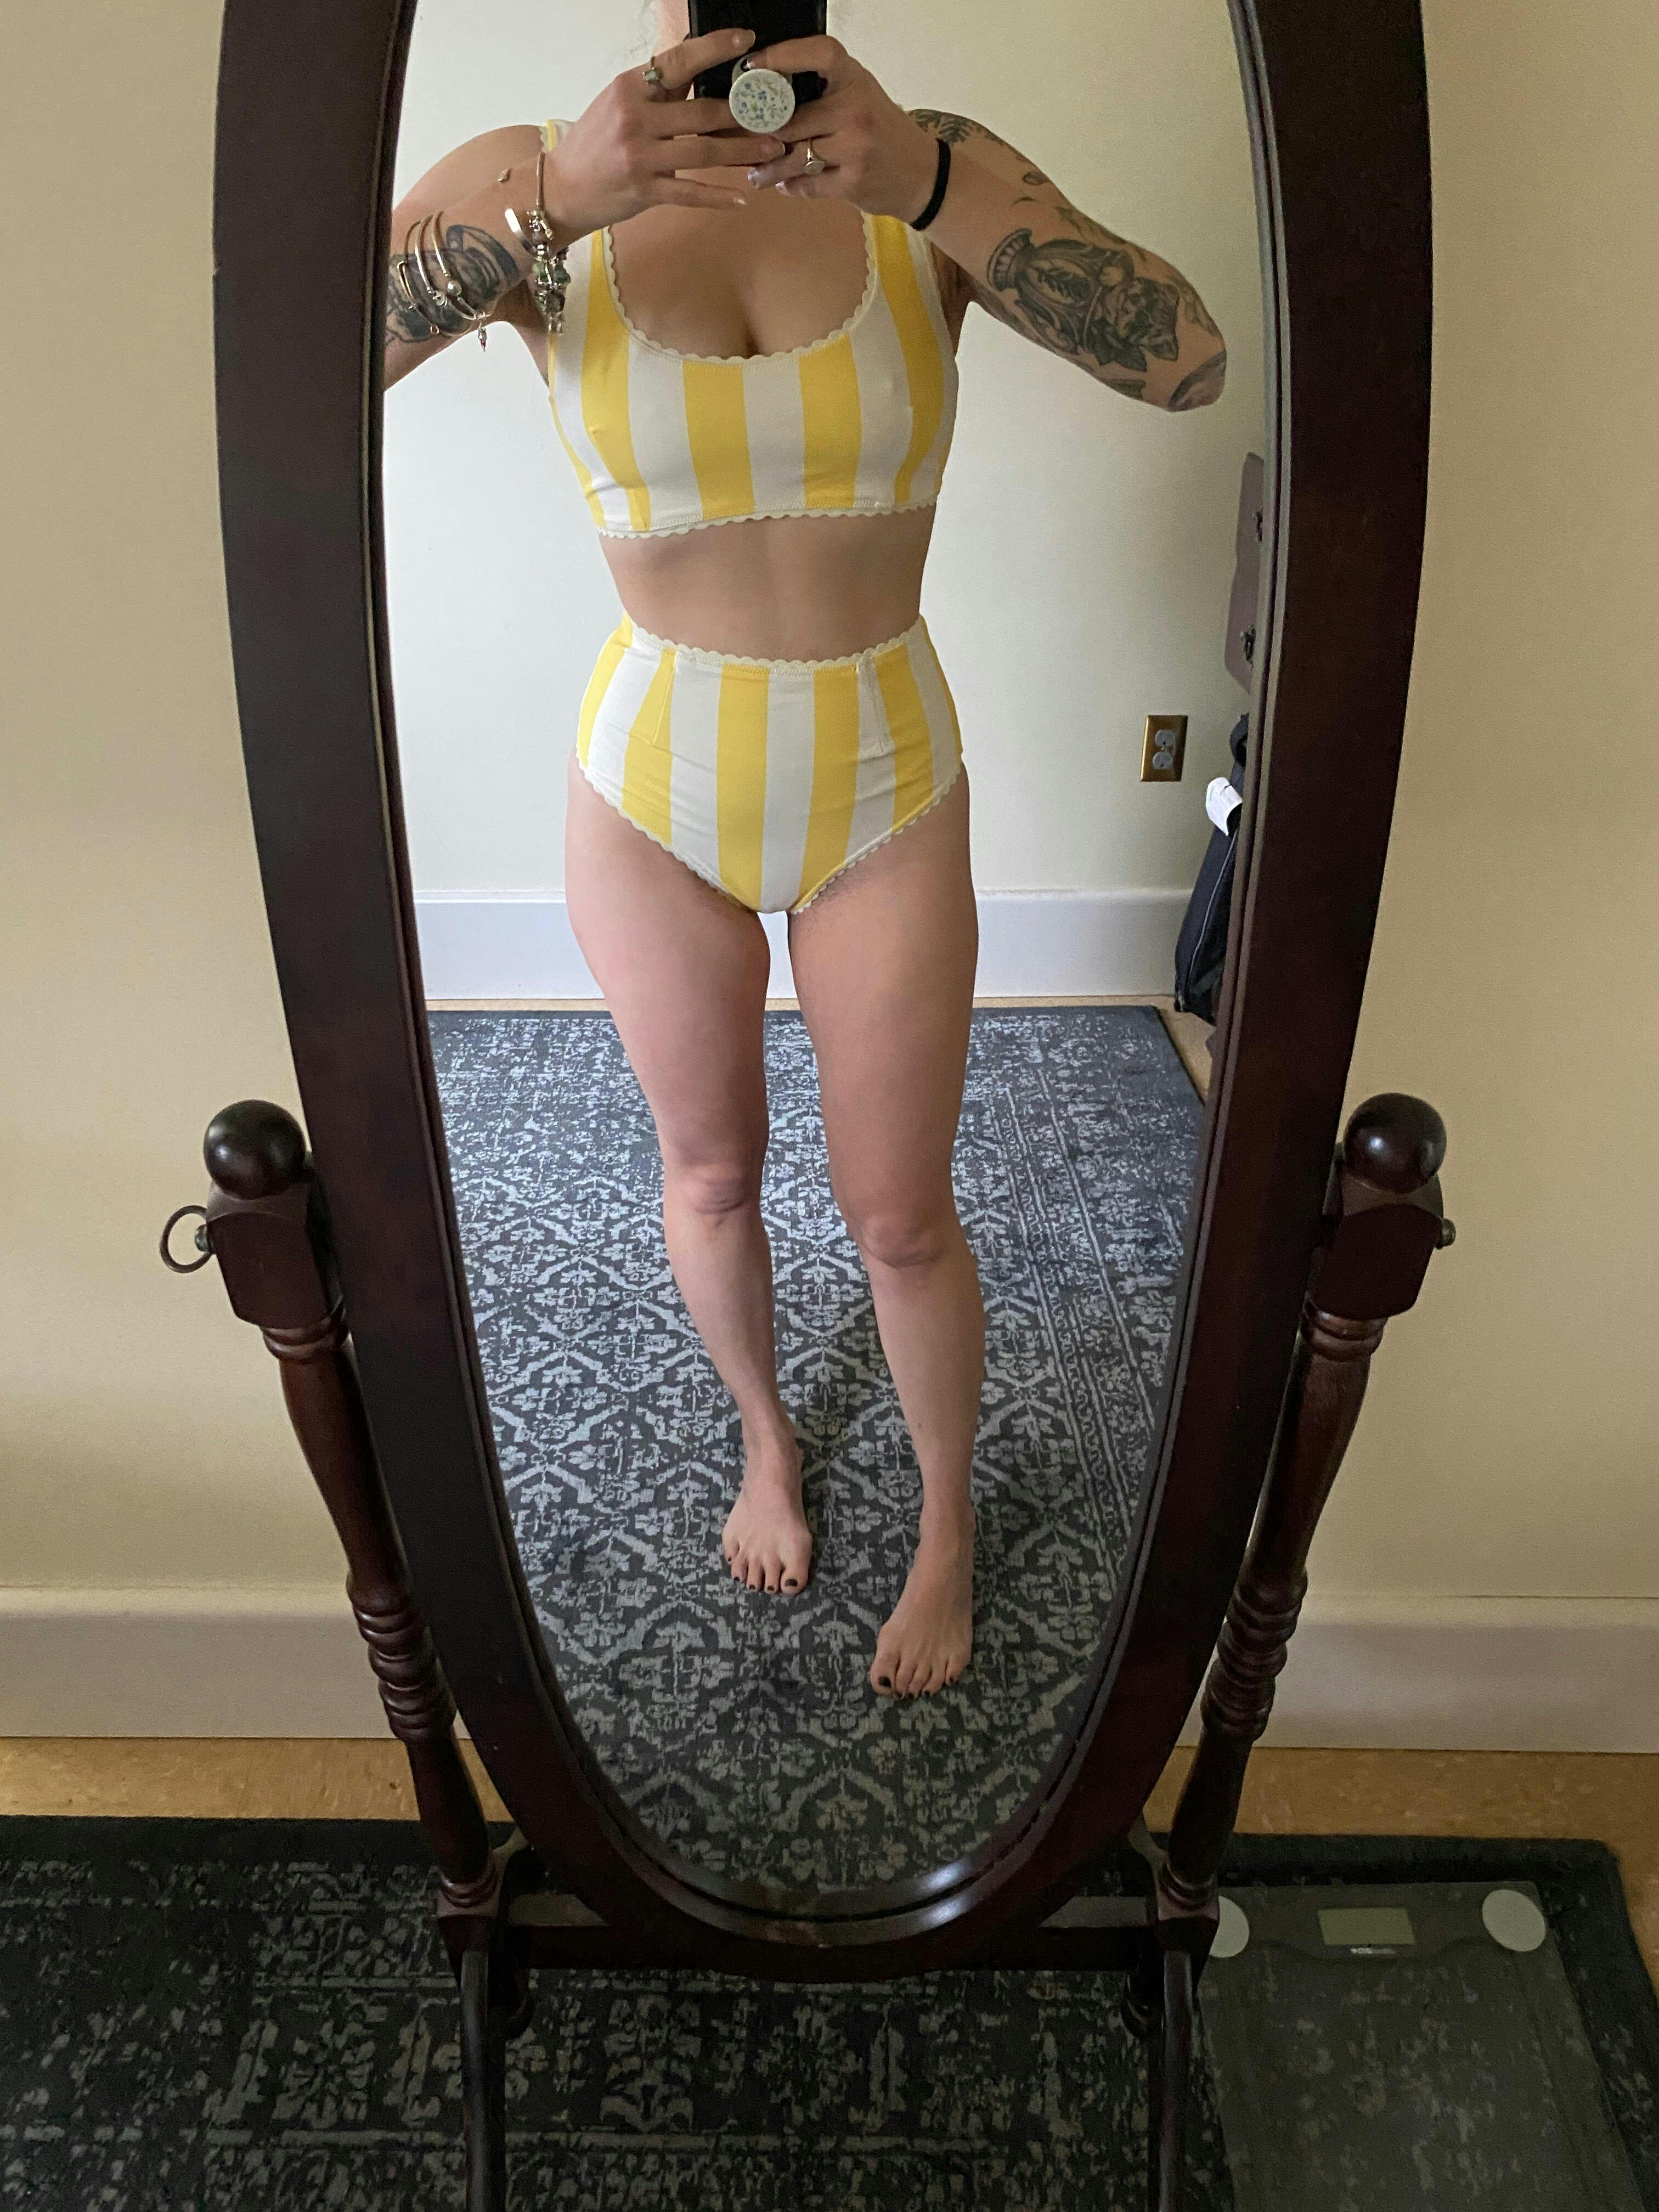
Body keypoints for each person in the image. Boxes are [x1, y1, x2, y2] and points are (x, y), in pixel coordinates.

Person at [386, 9, 1225, 1700]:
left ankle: (946, 1523)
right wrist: (555, 201)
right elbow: (285, 358)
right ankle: (767, 1439)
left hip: (883, 773)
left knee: (901, 1213)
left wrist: (926, 182)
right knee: (707, 1173)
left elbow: (1187, 359)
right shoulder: (533, 177)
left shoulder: (928, 162)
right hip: (653, 781)